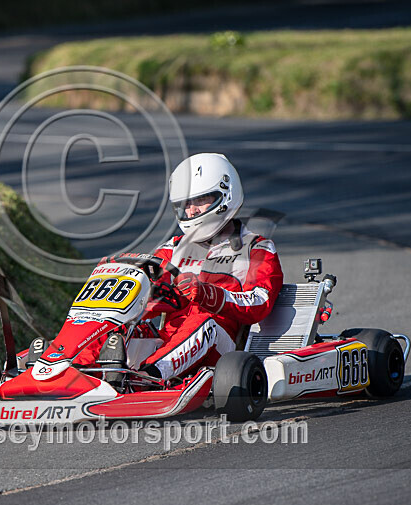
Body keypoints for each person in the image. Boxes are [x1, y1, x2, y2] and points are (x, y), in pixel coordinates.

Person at [76, 153, 283, 381]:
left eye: (200, 200)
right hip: (168, 343)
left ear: (225, 195)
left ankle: (147, 378)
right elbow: (145, 287)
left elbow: (259, 302)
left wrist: (209, 295)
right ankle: (73, 369)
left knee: (202, 322)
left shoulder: (255, 248)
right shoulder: (173, 249)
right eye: (186, 204)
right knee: (117, 327)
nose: (191, 211)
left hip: (222, 351)